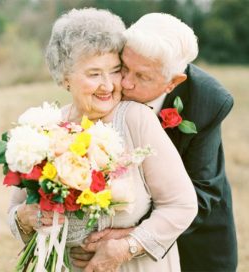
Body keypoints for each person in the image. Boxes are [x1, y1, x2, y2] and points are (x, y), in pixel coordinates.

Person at [8, 8, 198, 271]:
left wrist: (126, 247)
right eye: (94, 74)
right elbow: (15, 213)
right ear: (65, 77)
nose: (108, 85)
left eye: (115, 70)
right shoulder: (45, 128)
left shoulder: (136, 119)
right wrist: (24, 218)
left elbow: (182, 205)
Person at [73, 13, 237, 272]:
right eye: (123, 68)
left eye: (142, 76)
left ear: (173, 82)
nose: (124, 83)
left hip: (195, 240)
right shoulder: (107, 87)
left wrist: (133, 236)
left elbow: (204, 191)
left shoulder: (208, 100)